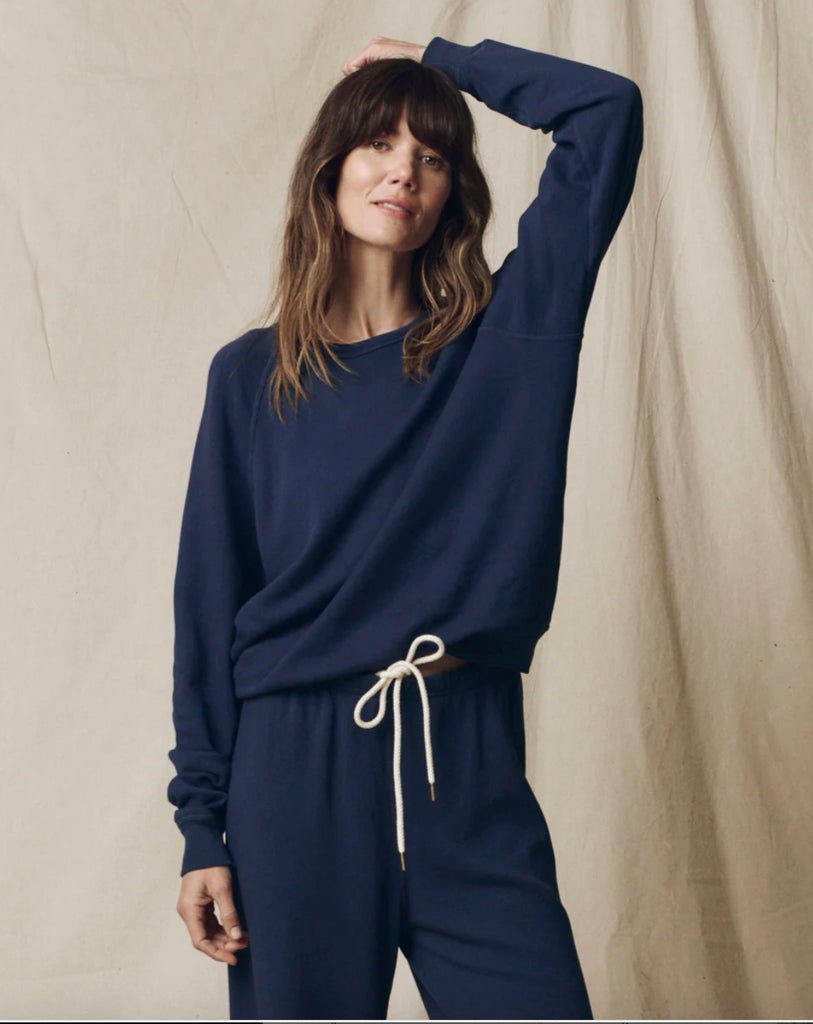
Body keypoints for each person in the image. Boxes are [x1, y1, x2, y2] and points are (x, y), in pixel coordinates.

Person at [167, 33, 643, 1021]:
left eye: (431, 154)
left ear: (452, 189)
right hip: (294, 768)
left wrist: (442, 60)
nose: (403, 172)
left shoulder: (506, 339)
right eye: (379, 144)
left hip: (460, 752)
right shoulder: (251, 378)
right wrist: (202, 828)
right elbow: (209, 607)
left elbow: (606, 114)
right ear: (330, 167)